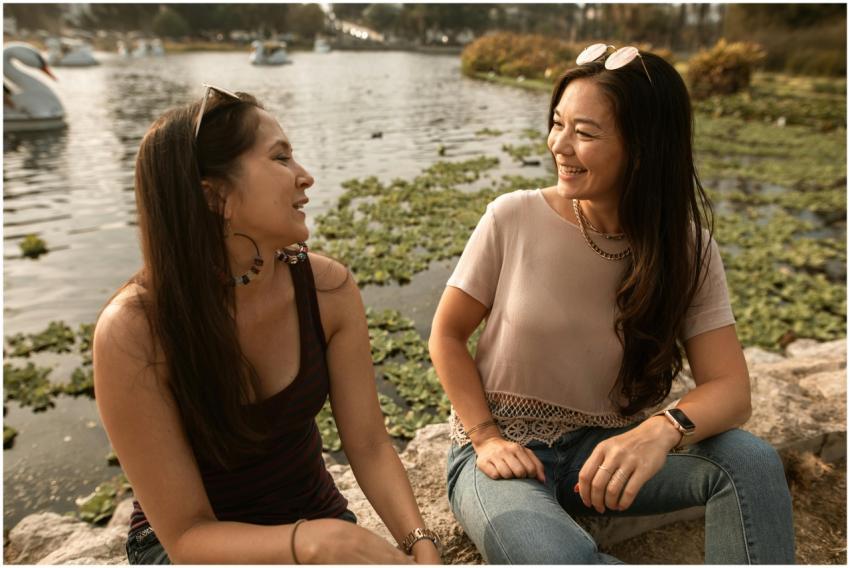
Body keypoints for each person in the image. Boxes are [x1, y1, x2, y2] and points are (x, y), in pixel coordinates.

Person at [429, 45, 795, 564]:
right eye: (558, 124)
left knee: (751, 462)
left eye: (585, 132)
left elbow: (732, 390)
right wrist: (486, 438)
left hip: (608, 456)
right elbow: (445, 334)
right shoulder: (512, 217)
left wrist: (660, 431)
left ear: (642, 148)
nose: (560, 145)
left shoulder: (686, 249)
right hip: (501, 456)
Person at [94, 85, 442, 564]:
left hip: (313, 518)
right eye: (281, 159)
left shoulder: (327, 290)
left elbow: (368, 443)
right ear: (214, 197)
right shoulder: (133, 332)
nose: (306, 178)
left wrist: (421, 544)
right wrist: (322, 544)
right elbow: (187, 536)